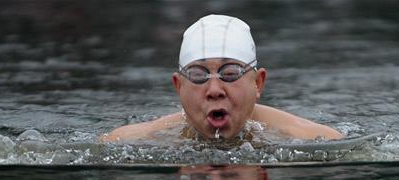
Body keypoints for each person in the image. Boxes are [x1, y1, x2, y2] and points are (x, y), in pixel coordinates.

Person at [101, 15, 342, 143]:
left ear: (258, 83)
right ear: (178, 86)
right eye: (198, 75)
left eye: (230, 74)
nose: (214, 89)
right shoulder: (125, 142)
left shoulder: (316, 140)